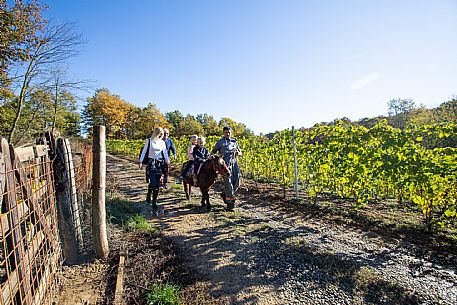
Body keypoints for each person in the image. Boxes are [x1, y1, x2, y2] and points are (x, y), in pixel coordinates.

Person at [211, 126, 242, 210]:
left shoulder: (234, 141)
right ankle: (230, 204)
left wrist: (238, 153)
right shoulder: (220, 142)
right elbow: (213, 152)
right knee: (228, 183)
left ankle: (224, 193)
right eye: (226, 132)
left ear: (231, 132)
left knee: (238, 181)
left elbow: (240, 151)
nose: (228, 134)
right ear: (223, 133)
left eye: (229, 132)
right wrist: (218, 159)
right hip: (224, 166)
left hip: (234, 163)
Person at [138, 127, 167, 215]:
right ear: (156, 134)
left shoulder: (162, 142)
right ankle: (149, 193)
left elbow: (165, 153)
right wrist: (141, 161)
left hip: (159, 164)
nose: (162, 136)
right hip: (151, 163)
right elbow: (144, 151)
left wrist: (168, 161)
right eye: (160, 134)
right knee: (153, 182)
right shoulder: (149, 141)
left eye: (162, 135)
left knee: (157, 184)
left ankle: (154, 201)